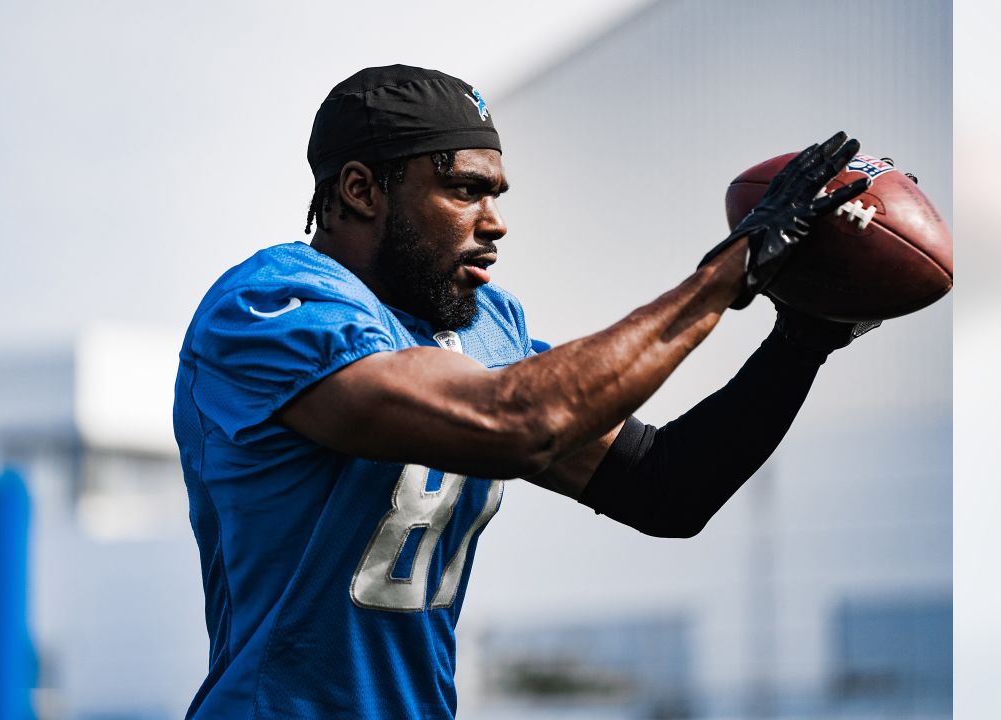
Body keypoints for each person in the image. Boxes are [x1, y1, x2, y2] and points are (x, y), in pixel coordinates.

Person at [172, 64, 876, 719]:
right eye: (465, 189)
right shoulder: (268, 308)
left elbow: (667, 488)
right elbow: (518, 421)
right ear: (362, 190)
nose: (495, 221)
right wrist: (729, 272)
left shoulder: (484, 326)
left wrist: (803, 341)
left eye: (497, 195)